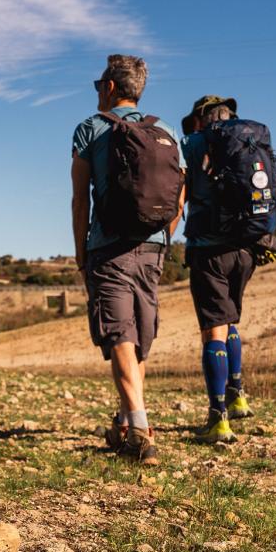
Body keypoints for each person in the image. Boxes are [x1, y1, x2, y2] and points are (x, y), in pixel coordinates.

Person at [70, 54, 185, 465]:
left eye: (99, 84)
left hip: (109, 246)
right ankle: (124, 421)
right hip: (154, 247)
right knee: (138, 335)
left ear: (112, 87)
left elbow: (80, 196)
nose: (98, 91)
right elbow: (180, 190)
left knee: (118, 334)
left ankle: (139, 430)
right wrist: (165, 233)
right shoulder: (165, 129)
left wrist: (82, 252)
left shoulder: (91, 128)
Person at [180, 95, 276, 443]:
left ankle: (217, 418)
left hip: (208, 250)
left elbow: (179, 193)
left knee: (213, 330)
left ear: (200, 119)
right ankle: (238, 395)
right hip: (246, 251)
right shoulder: (254, 143)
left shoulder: (193, 144)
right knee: (230, 322)